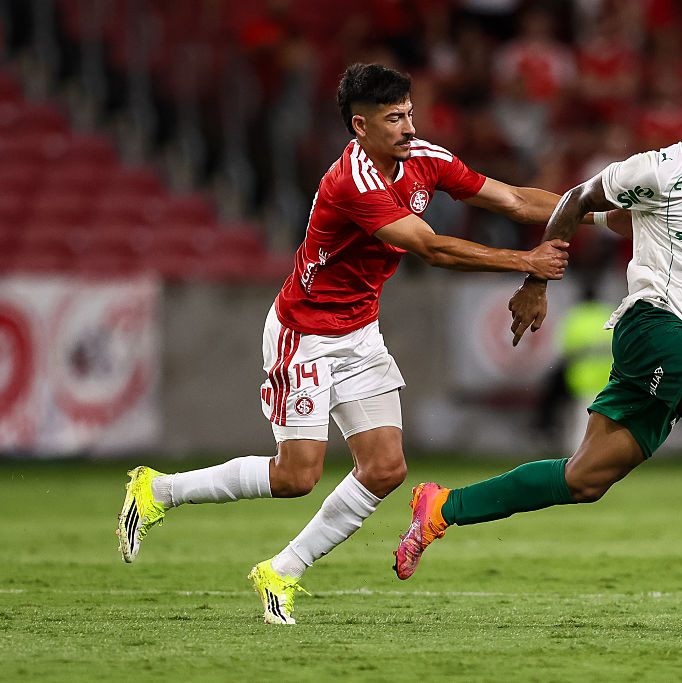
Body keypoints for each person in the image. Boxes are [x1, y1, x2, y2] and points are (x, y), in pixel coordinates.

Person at [116, 63, 622, 626]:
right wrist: (524, 262)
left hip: (359, 332)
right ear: (360, 126)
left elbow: (512, 200)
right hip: (303, 334)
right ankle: (161, 489)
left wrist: (597, 213)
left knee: (384, 468)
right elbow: (429, 248)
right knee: (296, 477)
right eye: (393, 119)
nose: (408, 127)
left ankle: (282, 569)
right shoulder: (352, 181)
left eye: (409, 113)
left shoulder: (425, 158)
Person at [393, 76, 682, 620]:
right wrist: (536, 280)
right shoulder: (658, 171)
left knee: (585, 478)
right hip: (652, 325)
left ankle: (441, 507)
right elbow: (576, 200)